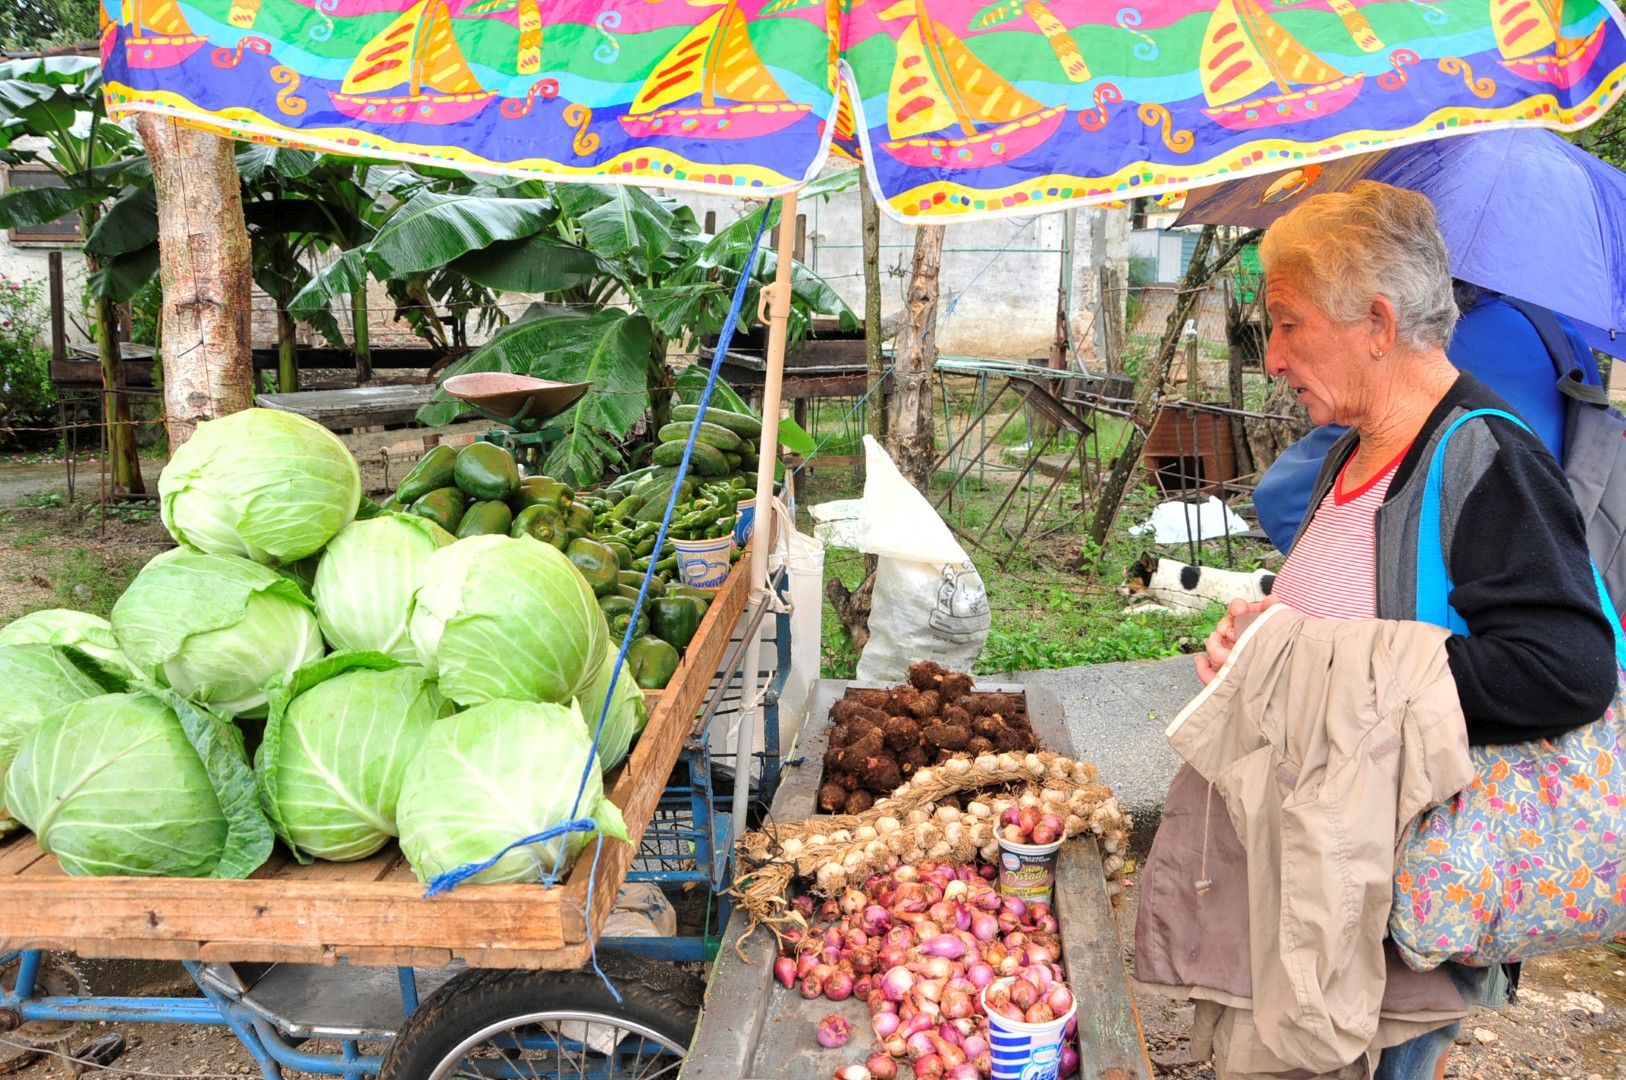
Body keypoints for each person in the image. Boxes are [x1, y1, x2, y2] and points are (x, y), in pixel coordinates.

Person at [1136, 180, 1617, 1079]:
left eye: (1287, 323)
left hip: (1401, 906)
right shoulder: (1362, 446)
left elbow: (1568, 670)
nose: (1273, 357)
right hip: (1332, 877)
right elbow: (1359, 611)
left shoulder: (1487, 459)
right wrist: (1266, 636)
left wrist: (1313, 667)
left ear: (1378, 324)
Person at [1252, 281, 1599, 553]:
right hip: (1578, 538)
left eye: (1289, 325)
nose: (1276, 361)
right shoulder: (1554, 327)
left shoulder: (1425, 353)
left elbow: (1283, 499)